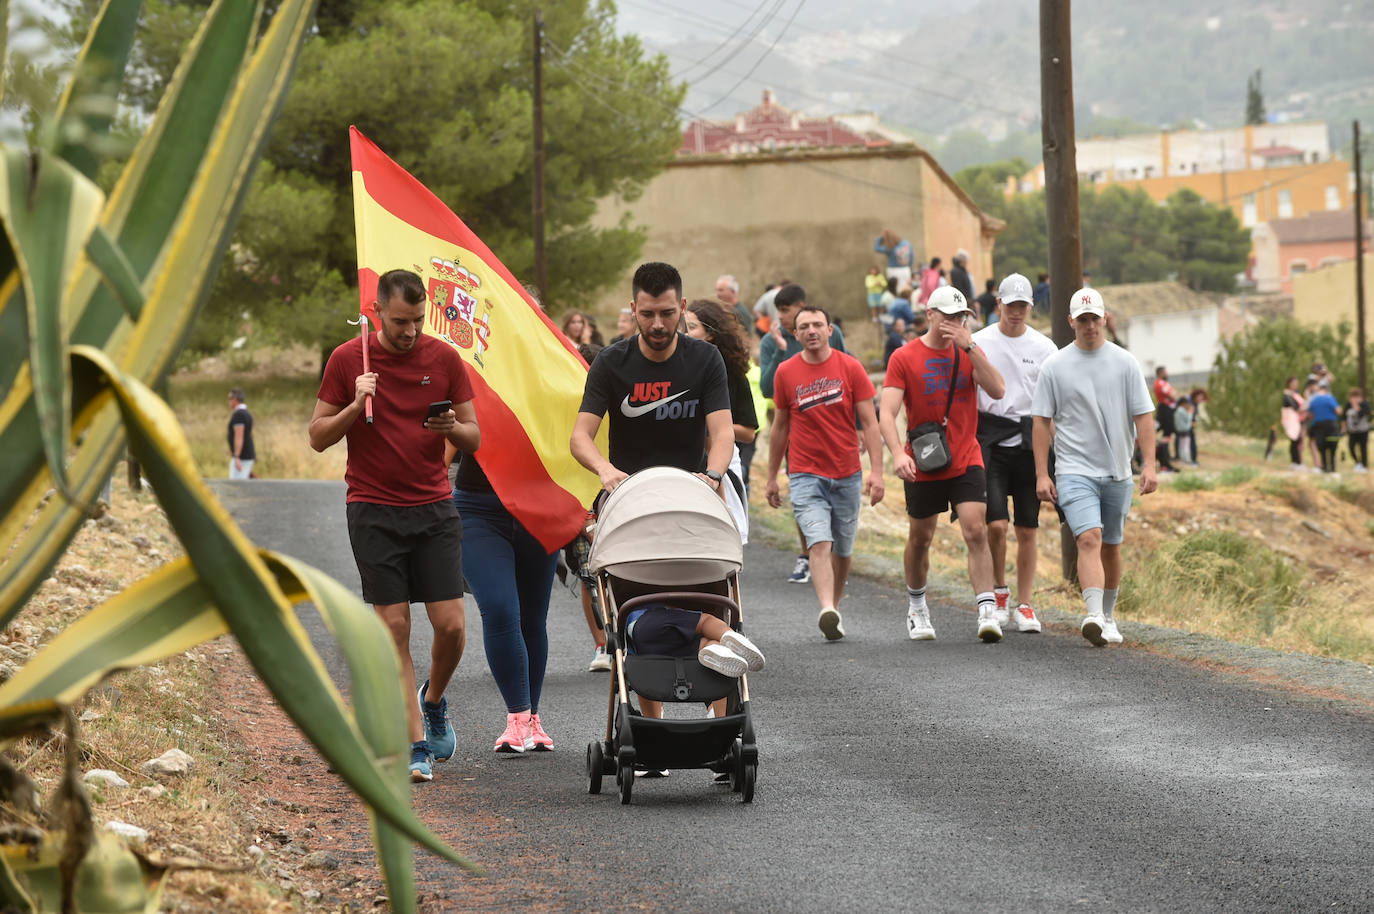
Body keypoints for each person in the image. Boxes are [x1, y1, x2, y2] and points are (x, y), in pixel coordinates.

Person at [309, 269, 479, 782]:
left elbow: (473, 436)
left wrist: (453, 428)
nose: (409, 332)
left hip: (433, 506)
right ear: (378, 311)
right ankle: (415, 747)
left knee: (451, 625)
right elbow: (317, 436)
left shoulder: (445, 359)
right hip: (373, 508)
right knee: (396, 627)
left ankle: (434, 700)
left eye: (418, 321)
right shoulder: (347, 359)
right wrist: (356, 405)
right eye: (401, 321)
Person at [571, 261, 734, 721]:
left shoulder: (704, 360)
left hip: (692, 501)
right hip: (631, 505)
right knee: (636, 615)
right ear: (633, 310)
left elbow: (721, 432)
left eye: (666, 313)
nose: (658, 324)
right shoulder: (612, 362)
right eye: (647, 314)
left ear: (682, 307)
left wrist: (715, 476)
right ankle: (648, 727)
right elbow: (580, 436)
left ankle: (720, 725)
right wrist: (604, 470)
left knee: (708, 602)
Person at [879, 286, 1007, 643]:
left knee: (975, 529)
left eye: (959, 317)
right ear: (930, 314)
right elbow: (886, 414)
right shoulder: (904, 357)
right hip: (923, 459)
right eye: (946, 316)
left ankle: (986, 608)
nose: (952, 323)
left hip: (966, 455)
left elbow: (998, 390)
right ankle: (917, 607)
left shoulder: (970, 352)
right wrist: (897, 454)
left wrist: (970, 347)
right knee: (921, 537)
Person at [1031, 287, 1157, 647]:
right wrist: (1043, 473)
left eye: (1094, 318)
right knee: (1089, 538)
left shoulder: (1125, 363)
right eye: (1082, 319)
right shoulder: (1055, 367)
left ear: (1104, 319)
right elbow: (1040, 421)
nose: (1089, 325)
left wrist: (1149, 465)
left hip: (1117, 470)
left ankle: (1110, 615)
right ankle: (1093, 615)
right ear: (1071, 321)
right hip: (1074, 470)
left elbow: (1143, 416)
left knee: (1111, 546)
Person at [766, 305, 885, 641]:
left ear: (830, 330)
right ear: (796, 334)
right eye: (804, 326)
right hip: (805, 473)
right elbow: (780, 428)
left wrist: (877, 472)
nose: (812, 331)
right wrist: (773, 475)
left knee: (843, 550)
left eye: (818, 324)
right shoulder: (786, 372)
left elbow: (871, 423)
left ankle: (835, 604)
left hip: (847, 473)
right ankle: (826, 608)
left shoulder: (850, 367)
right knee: (820, 541)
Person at [450, 447, 560, 754]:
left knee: (533, 617)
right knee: (499, 607)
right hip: (477, 508)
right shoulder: (479, 394)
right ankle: (517, 718)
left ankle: (532, 719)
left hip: (540, 505)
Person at [970, 273, 1057, 633]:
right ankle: (998, 592)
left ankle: (1025, 603)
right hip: (989, 435)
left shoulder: (1044, 348)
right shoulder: (979, 341)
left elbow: (1052, 406)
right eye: (1011, 305)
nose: (1017, 312)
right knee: (995, 524)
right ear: (999, 305)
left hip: (1029, 437)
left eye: (1023, 306)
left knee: (1027, 527)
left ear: (1030, 308)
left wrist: (1053, 457)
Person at [758, 283, 848, 585]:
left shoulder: (829, 334)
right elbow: (768, 388)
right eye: (779, 312)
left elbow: (847, 376)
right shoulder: (774, 341)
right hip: (796, 432)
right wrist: (780, 353)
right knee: (803, 495)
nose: (781, 317)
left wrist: (858, 428)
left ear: (801, 306)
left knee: (836, 495)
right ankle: (808, 553)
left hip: (834, 430)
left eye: (785, 310)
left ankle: (831, 553)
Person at [686, 298, 759, 495]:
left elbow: (748, 432)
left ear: (710, 334)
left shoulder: (733, 375)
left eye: (691, 327)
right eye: (682, 327)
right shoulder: (677, 372)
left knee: (728, 522)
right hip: (684, 462)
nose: (684, 333)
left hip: (722, 463)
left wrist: (712, 425)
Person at [625, 602, 765, 678]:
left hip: (640, 646)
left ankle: (716, 648)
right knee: (706, 621)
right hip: (648, 619)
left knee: (707, 647)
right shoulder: (661, 607)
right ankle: (729, 635)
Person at [1307, 379, 1341, 473]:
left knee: (1322, 447)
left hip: (1319, 426)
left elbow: (1310, 414)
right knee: (1332, 446)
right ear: (1327, 390)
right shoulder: (1330, 398)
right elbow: (1338, 411)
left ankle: (1324, 467)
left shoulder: (1314, 400)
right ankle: (1333, 468)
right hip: (1331, 425)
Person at [226, 387, 256, 479]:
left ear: (235, 399)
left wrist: (237, 457)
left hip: (242, 457)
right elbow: (248, 435)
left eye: (229, 399)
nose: (228, 402)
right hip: (246, 455)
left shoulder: (239, 415)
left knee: (236, 487)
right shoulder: (246, 413)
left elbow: (239, 436)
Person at [715, 274, 753, 342]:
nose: (717, 294)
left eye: (721, 290)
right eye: (717, 290)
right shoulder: (722, 310)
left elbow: (747, 338)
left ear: (732, 291)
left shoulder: (740, 313)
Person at [1280, 377, 1307, 470]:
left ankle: (1297, 462)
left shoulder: (1295, 394)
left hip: (1298, 420)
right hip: (1292, 420)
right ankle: (1296, 462)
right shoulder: (1287, 396)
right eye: (1294, 383)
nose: (1296, 385)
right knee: (1294, 440)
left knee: (1297, 441)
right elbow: (1296, 407)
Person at [1345, 387, 1370, 472]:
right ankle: (1358, 463)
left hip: (1363, 430)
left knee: (1363, 448)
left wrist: (1356, 405)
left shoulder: (1365, 405)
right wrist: (1343, 428)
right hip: (1352, 431)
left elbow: (1361, 414)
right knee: (1351, 447)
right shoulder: (1348, 405)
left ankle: (1364, 465)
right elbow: (1343, 418)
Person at [1173, 397, 1197, 466]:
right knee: (1185, 446)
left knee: (1181, 446)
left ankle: (1183, 460)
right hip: (1185, 430)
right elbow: (1188, 418)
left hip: (1180, 431)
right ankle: (1187, 461)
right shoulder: (1182, 410)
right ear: (1183, 403)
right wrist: (1190, 413)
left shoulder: (1177, 410)